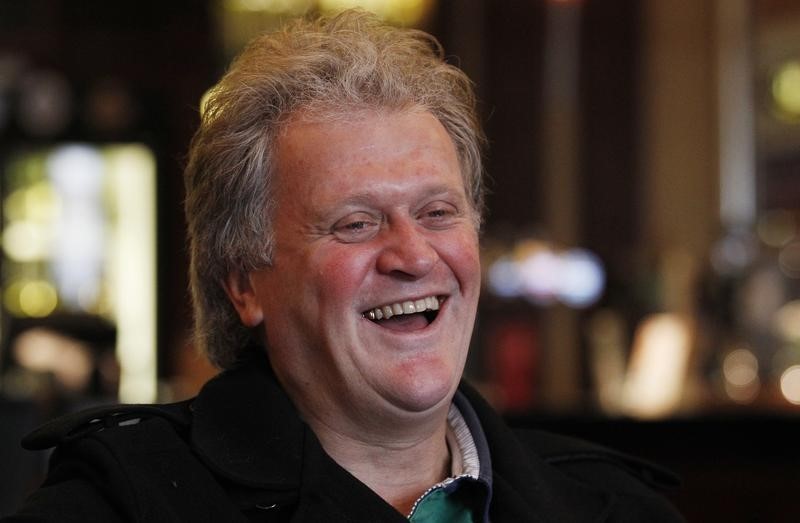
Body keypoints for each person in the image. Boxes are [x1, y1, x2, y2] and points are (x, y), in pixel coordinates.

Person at [3, 10, 684, 522]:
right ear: (243, 280)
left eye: (439, 212)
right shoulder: (117, 506)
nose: (414, 254)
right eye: (356, 223)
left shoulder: (619, 508)